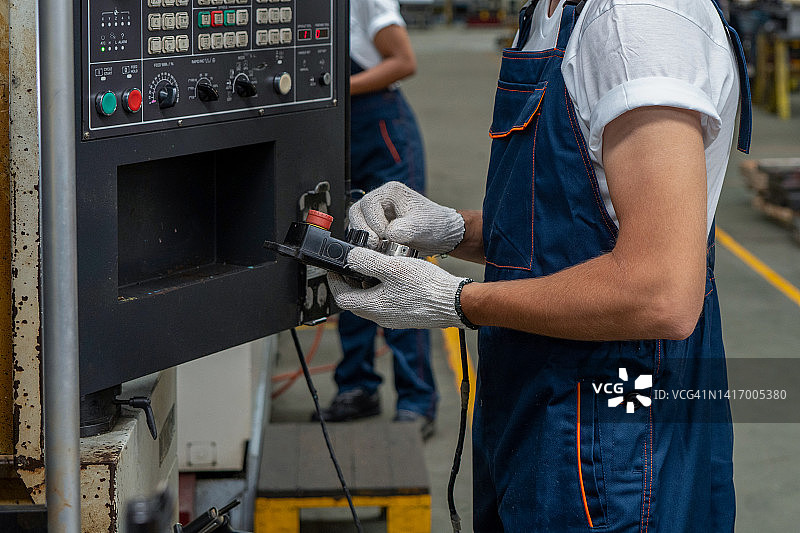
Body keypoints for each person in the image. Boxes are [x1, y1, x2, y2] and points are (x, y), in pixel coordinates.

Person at [328, 0, 751, 530]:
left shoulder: (636, 21)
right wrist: (454, 229)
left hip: (609, 436)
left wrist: (455, 300)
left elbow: (658, 291)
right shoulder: (552, 16)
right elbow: (572, 218)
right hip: (534, 399)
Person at [314, 0, 438, 438]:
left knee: (398, 262)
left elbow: (403, 62)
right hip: (342, 131)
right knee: (347, 258)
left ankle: (417, 398)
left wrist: (336, 90)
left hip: (382, 135)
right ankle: (358, 387)